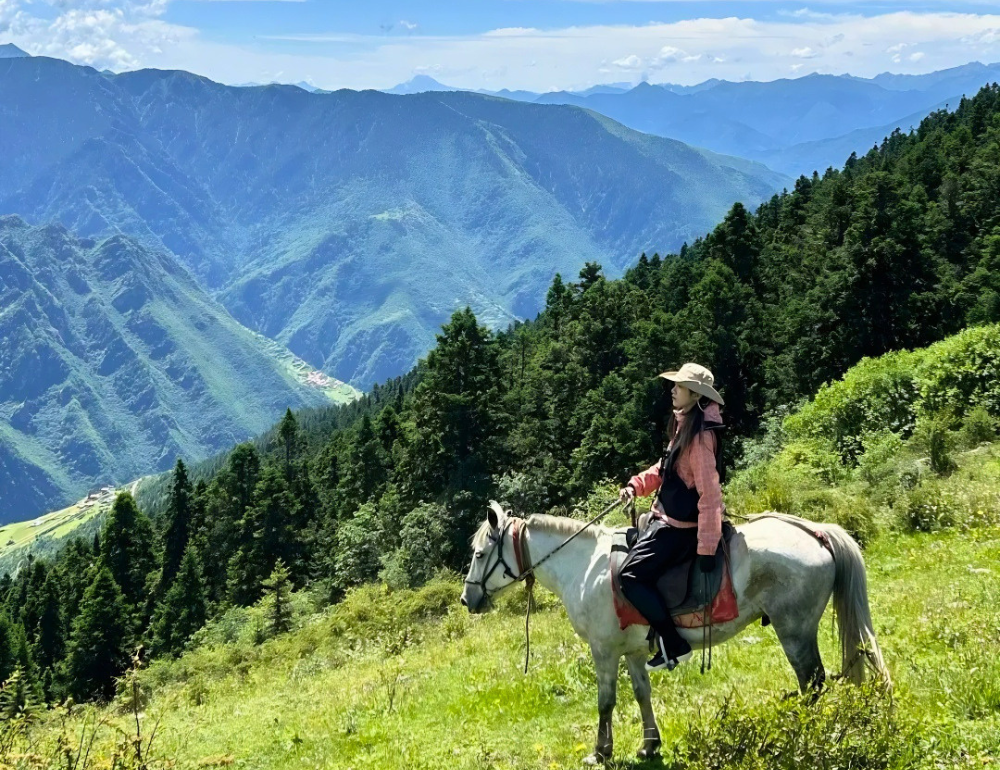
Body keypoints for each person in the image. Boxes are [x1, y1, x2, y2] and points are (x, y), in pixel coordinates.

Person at [618, 362, 726, 672]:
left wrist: (706, 547)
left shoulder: (699, 437)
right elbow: (664, 469)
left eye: (678, 386)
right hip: (668, 518)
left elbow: (710, 494)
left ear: (695, 394)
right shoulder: (685, 425)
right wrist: (635, 486)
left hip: (680, 529)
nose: (673, 390)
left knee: (630, 577)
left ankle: (674, 644)